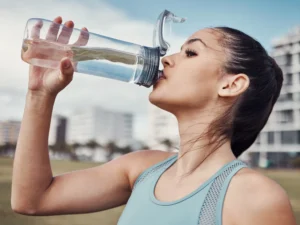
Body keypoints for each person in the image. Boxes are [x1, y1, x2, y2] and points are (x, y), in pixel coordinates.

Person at [11, 16, 296, 225]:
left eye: (191, 52)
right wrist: (39, 94)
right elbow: (32, 200)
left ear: (231, 85)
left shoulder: (255, 198)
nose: (168, 59)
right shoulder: (141, 169)